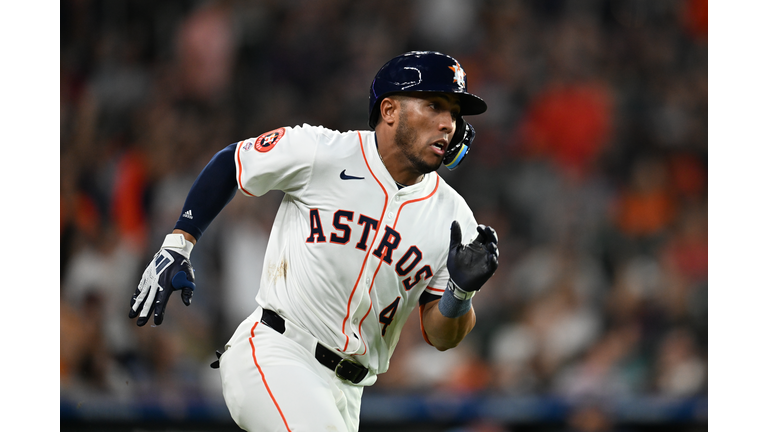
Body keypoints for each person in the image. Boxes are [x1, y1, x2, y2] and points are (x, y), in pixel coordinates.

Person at [130, 51, 500, 432]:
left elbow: (441, 336)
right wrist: (179, 241)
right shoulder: (323, 151)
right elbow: (233, 162)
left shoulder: (454, 217)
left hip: (348, 391)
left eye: (454, 114)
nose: (447, 124)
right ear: (389, 110)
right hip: (278, 353)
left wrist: (460, 294)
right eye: (434, 105)